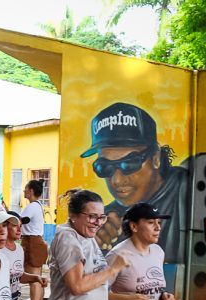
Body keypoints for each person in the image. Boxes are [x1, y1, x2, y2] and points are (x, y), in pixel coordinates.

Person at [80, 102, 188, 261]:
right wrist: (92, 246)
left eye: (129, 163)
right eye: (105, 167)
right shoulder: (107, 221)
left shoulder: (190, 192)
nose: (116, 180)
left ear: (156, 157)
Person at [0, 211, 48, 300]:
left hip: (14, 298)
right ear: (4, 227)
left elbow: (18, 275)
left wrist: (36, 278)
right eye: (15, 226)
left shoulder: (19, 249)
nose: (19, 230)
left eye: (20, 226)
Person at [18, 180, 49, 300]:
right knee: (38, 277)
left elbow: (21, 220)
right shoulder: (37, 206)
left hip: (32, 242)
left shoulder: (32, 206)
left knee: (34, 278)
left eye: (25, 189)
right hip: (36, 241)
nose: (24, 191)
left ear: (30, 191)